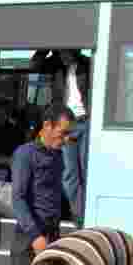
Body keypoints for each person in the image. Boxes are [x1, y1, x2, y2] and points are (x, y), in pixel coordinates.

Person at [6, 104, 74, 265]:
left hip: (52, 236)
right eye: (62, 133)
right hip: (28, 238)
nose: (66, 140)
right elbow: (19, 199)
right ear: (47, 126)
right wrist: (36, 237)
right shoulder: (25, 154)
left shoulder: (58, 155)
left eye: (68, 135)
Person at [36, 50, 91, 224]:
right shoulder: (55, 64)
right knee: (69, 174)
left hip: (86, 121)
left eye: (66, 54)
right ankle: (80, 216)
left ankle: (86, 213)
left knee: (87, 171)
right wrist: (46, 48)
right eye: (60, 53)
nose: (64, 57)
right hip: (66, 124)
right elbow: (34, 65)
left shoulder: (88, 63)